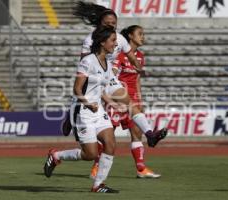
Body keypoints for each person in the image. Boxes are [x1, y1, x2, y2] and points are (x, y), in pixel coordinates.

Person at [62, 1, 167, 148]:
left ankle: (150, 135)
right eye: (107, 23)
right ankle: (71, 114)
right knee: (83, 100)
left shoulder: (120, 39)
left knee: (131, 105)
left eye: (114, 23)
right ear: (100, 23)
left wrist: (138, 67)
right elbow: (84, 64)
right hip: (94, 79)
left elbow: (131, 55)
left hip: (110, 78)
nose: (111, 25)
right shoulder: (90, 39)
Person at [44, 26, 119, 193]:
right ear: (102, 42)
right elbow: (76, 90)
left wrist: (112, 103)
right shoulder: (87, 61)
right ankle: (56, 156)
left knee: (111, 143)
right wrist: (87, 103)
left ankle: (98, 185)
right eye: (113, 40)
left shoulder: (108, 63)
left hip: (97, 111)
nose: (115, 44)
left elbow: (100, 91)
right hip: (82, 111)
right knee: (90, 154)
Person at [90, 25, 161, 179]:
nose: (143, 37)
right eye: (140, 34)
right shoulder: (120, 55)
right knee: (109, 135)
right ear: (130, 36)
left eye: (144, 34)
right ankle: (96, 166)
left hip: (132, 99)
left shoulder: (140, 56)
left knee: (137, 133)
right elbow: (112, 74)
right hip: (117, 98)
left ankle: (141, 169)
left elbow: (137, 79)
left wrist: (139, 100)